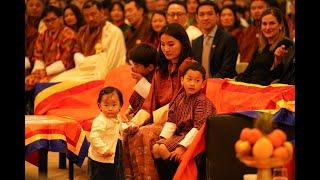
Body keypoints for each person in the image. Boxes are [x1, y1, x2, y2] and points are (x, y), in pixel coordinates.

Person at [122, 23, 196, 180]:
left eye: (171, 44)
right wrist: (133, 123)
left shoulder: (190, 67)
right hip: (159, 121)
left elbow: (181, 104)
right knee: (130, 133)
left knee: (145, 133)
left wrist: (151, 122)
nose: (166, 49)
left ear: (182, 43)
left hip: (181, 124)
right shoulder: (161, 69)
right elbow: (149, 103)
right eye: (162, 44)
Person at [152, 62, 216, 179]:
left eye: (197, 81)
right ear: (182, 80)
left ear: (203, 84)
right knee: (156, 148)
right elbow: (171, 120)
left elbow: (199, 128)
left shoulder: (202, 101)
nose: (192, 84)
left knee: (162, 148)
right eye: (189, 79)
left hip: (197, 139)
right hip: (180, 135)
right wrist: (163, 139)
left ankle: (177, 176)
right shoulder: (179, 97)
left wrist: (183, 147)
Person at [50, 0, 126, 82]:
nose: (90, 18)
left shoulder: (113, 32)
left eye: (93, 14)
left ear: (102, 12)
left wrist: (85, 62)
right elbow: (76, 49)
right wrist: (78, 56)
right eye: (86, 16)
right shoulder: (82, 31)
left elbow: (111, 63)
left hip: (102, 73)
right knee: (55, 80)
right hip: (83, 72)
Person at [25, 5, 78, 90]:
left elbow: (66, 62)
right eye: (46, 21)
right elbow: (38, 57)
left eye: (53, 20)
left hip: (64, 72)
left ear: (60, 19)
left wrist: (44, 72)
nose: (50, 23)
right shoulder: (43, 35)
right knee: (28, 81)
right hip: (44, 72)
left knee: (41, 85)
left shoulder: (68, 35)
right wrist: (37, 73)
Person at [235, 7, 291, 86]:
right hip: (252, 87)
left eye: (272, 23)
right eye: (264, 24)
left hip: (268, 91)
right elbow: (248, 72)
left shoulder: (286, 44)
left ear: (280, 25)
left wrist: (277, 61)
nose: (267, 28)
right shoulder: (260, 47)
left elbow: (280, 78)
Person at [192, 1, 238, 78]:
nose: (206, 18)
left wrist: (209, 83)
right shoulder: (196, 42)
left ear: (217, 16)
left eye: (210, 14)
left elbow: (228, 70)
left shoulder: (228, 39)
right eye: (202, 15)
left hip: (220, 85)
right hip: (199, 85)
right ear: (197, 18)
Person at [88, 86, 124, 180]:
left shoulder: (117, 117)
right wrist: (103, 149)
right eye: (106, 105)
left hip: (114, 151)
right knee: (99, 176)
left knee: (115, 174)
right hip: (99, 158)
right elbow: (94, 137)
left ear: (120, 106)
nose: (110, 109)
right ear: (100, 106)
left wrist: (129, 128)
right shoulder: (100, 121)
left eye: (114, 105)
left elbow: (119, 127)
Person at [126, 43, 157, 119]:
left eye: (136, 65)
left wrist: (141, 81)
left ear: (150, 67)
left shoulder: (156, 77)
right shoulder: (143, 75)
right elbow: (137, 96)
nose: (133, 68)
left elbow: (153, 99)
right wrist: (130, 109)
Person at [25, 0, 45, 76]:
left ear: (43, 8)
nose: (34, 8)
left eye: (38, 5)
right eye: (31, 5)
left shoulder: (48, 22)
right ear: (26, 7)